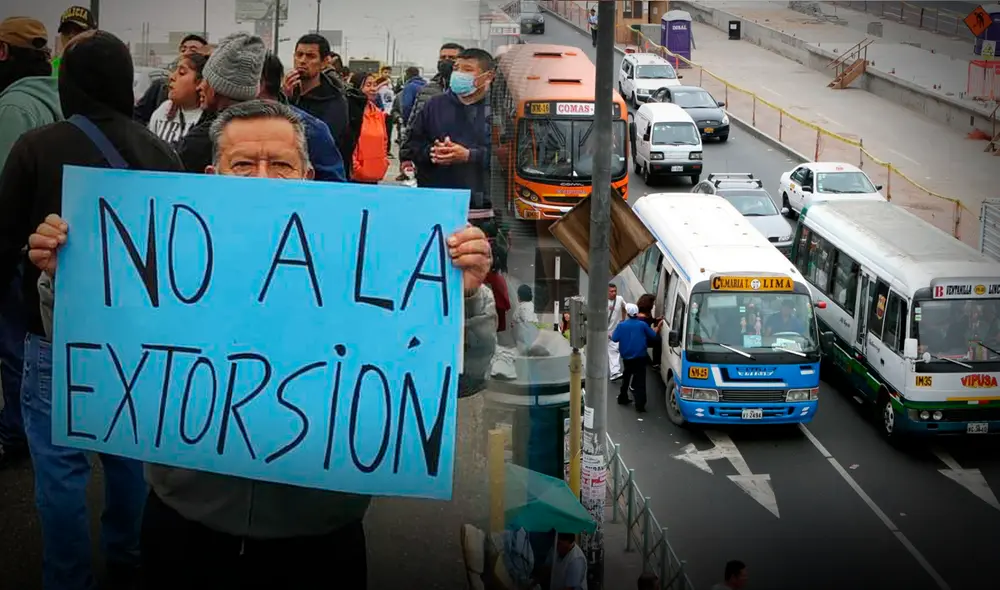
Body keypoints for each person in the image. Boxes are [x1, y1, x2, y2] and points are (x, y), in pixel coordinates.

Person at [26, 98, 498, 590]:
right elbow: (94, 359)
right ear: (212, 175)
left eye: (281, 166)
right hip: (185, 523)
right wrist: (71, 279)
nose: (263, 179)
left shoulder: (365, 261)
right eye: (244, 165)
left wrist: (460, 299)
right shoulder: (173, 256)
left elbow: (461, 382)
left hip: (318, 535)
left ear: (308, 176)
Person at [0, 29, 184, 590]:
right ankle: (126, 557)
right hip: (135, 339)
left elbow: (5, 242)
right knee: (129, 459)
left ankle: (66, 576)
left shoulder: (38, 145)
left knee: (60, 469)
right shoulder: (161, 151)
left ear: (70, 85)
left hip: (57, 336)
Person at [0, 16, 62, 469]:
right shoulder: (56, 97)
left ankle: (14, 432)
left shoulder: (13, 108)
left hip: (23, 248)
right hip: (48, 246)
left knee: (14, 346)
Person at [402, 47, 494, 219]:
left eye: (467, 70)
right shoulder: (434, 105)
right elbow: (413, 145)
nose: (459, 74)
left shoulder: (500, 110)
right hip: (436, 201)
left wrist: (469, 155)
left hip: (483, 209)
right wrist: (432, 153)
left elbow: (510, 157)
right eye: (456, 68)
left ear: (488, 76)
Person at [177, 32, 266, 173]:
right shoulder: (271, 128)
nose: (199, 87)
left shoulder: (203, 139)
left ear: (216, 88)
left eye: (205, 80)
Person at [259, 52, 346, 182]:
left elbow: (334, 188)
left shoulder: (311, 129)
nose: (302, 61)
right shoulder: (227, 122)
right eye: (298, 55)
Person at [283, 34, 357, 173]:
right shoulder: (288, 93)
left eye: (310, 56)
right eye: (299, 55)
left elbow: (321, 143)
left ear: (325, 62)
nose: (302, 61)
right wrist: (285, 99)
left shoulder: (335, 101)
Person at [134, 33, 208, 125]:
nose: (186, 53)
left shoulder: (209, 115)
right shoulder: (161, 90)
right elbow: (137, 116)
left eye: (193, 50)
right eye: (183, 49)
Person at [147, 51, 207, 146]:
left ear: (200, 82)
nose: (172, 77)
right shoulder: (164, 110)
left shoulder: (208, 120)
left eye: (182, 73)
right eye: (174, 71)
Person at [612, 303, 660, 412]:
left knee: (626, 377)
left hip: (627, 357)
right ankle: (640, 405)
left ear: (628, 313)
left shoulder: (622, 325)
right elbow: (653, 335)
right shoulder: (642, 325)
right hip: (640, 356)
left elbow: (614, 338)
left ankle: (622, 397)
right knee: (640, 381)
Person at [348, 71, 390, 183]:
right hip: (353, 178)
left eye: (375, 85)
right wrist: (356, 168)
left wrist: (383, 163)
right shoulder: (348, 112)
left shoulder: (378, 113)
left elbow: (384, 141)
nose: (373, 88)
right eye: (368, 85)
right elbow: (347, 144)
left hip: (374, 176)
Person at [51, 6, 96, 76]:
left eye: (79, 30)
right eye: (66, 30)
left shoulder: (103, 66)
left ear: (93, 34)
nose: (71, 36)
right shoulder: (50, 68)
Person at [635, 293, 661, 370]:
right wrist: (658, 327)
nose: (653, 305)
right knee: (658, 340)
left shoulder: (646, 313)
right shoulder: (641, 318)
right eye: (652, 303)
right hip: (641, 338)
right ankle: (656, 363)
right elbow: (650, 333)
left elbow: (649, 321)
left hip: (642, 336)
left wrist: (655, 320)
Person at [607, 283, 626, 380]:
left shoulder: (620, 299)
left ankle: (614, 372)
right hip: (602, 331)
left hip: (613, 331)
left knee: (613, 350)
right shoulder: (601, 301)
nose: (614, 293)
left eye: (615, 291)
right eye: (611, 291)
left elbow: (625, 308)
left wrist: (623, 319)